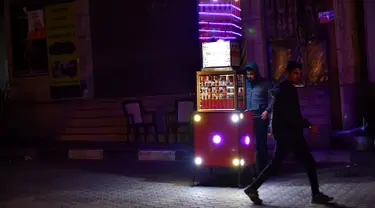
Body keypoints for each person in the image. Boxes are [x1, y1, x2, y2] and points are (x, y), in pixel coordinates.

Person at [244, 61, 334, 205]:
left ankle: (253, 188)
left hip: (287, 133)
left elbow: (288, 113)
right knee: (301, 162)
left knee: (286, 163)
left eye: (299, 73)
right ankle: (315, 194)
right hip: (289, 134)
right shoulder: (287, 90)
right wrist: (308, 125)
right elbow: (292, 114)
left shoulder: (284, 88)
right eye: (295, 73)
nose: (297, 76)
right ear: (288, 73)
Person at [244, 62, 275, 175]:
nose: (249, 76)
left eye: (251, 74)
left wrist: (267, 111)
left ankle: (264, 169)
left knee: (261, 143)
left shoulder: (265, 84)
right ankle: (252, 169)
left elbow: (273, 98)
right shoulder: (245, 83)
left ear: (256, 73)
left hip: (261, 117)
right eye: (248, 74)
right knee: (248, 144)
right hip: (248, 118)